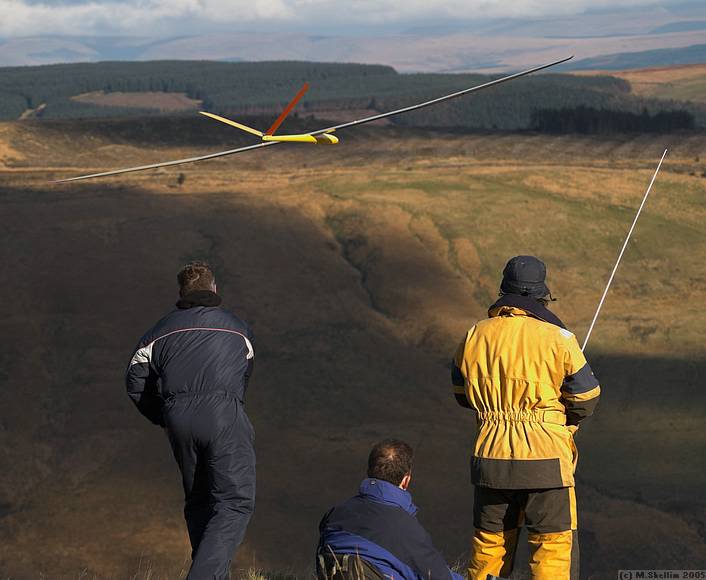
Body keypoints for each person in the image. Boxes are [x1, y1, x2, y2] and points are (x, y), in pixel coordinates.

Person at [452, 256, 601, 580]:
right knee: (551, 552)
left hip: (490, 459)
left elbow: (461, 394)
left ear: (505, 292)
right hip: (546, 461)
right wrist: (560, 422)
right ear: (540, 296)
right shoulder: (558, 339)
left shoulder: (474, 335)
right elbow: (587, 398)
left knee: (488, 551)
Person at [126, 261, 255, 580]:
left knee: (199, 500)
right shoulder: (237, 328)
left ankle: (210, 573)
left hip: (178, 418)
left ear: (181, 293)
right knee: (234, 501)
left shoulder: (158, 331)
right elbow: (245, 372)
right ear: (214, 289)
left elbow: (134, 381)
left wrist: (163, 416)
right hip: (224, 413)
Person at [318, 439, 463, 580]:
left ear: (369, 471)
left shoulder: (335, 514)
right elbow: (439, 576)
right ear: (406, 480)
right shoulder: (407, 530)